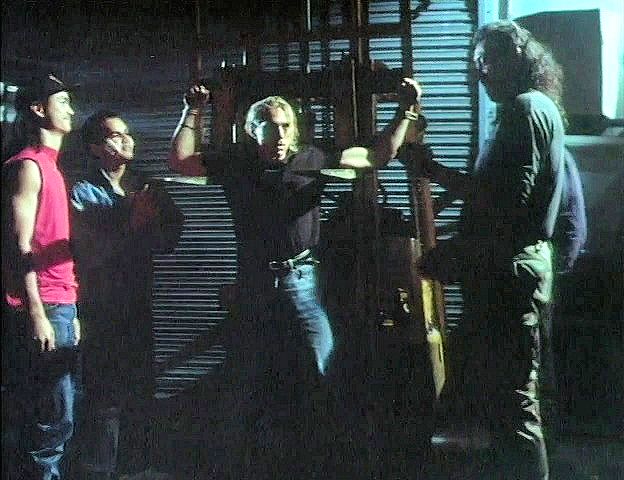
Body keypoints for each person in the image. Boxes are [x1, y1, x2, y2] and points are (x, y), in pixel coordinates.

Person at [168, 79, 423, 478]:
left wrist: (405, 111)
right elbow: (181, 160)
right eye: (271, 126)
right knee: (246, 381)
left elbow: (376, 156)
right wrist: (193, 111)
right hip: (255, 286)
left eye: (286, 126)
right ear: (253, 131)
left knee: (321, 368)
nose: (280, 134)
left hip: (302, 282)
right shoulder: (236, 162)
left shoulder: (312, 159)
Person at [407, 20, 570, 479]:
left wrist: (458, 253)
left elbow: (506, 206)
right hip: (511, 275)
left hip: (508, 278)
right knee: (503, 402)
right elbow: (497, 196)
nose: (479, 73)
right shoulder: (536, 107)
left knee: (514, 406)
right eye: (475, 64)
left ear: (515, 58)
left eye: (486, 62)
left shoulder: (523, 109)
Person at [70, 111, 183, 478]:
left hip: (138, 306)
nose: (127, 140)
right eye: (115, 136)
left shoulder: (143, 185)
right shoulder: (81, 191)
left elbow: (170, 237)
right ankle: (101, 470)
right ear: (95, 148)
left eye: (127, 133)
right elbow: (91, 253)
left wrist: (153, 220)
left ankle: (136, 468)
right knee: (104, 398)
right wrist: (133, 223)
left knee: (140, 391)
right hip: (100, 310)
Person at [1, 73, 80, 480]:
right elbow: (21, 246)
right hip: (44, 303)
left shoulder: (50, 166)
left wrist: (70, 306)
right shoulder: (28, 166)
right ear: (38, 109)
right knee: (50, 420)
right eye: (62, 101)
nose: (71, 109)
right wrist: (37, 312)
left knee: (57, 415)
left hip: (59, 302)